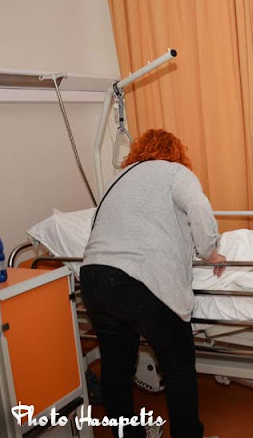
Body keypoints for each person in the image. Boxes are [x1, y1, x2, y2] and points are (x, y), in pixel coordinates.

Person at [80, 129, 224, 438]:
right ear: (176, 152)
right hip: (140, 280)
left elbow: (97, 225)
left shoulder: (116, 180)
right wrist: (210, 251)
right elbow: (199, 208)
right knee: (178, 367)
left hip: (93, 278)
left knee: (116, 369)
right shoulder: (175, 173)